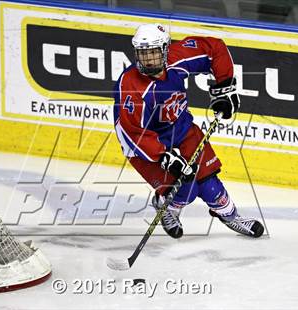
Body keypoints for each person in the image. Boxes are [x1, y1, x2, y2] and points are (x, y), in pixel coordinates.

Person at [113, 23, 264, 239]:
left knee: (209, 183)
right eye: (143, 54)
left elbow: (214, 49)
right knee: (185, 188)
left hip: (181, 128)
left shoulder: (177, 57)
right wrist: (163, 156)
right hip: (143, 146)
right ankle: (167, 206)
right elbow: (132, 132)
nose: (148, 60)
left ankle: (232, 217)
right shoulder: (131, 86)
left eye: (154, 53)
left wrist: (224, 89)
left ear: (165, 49)